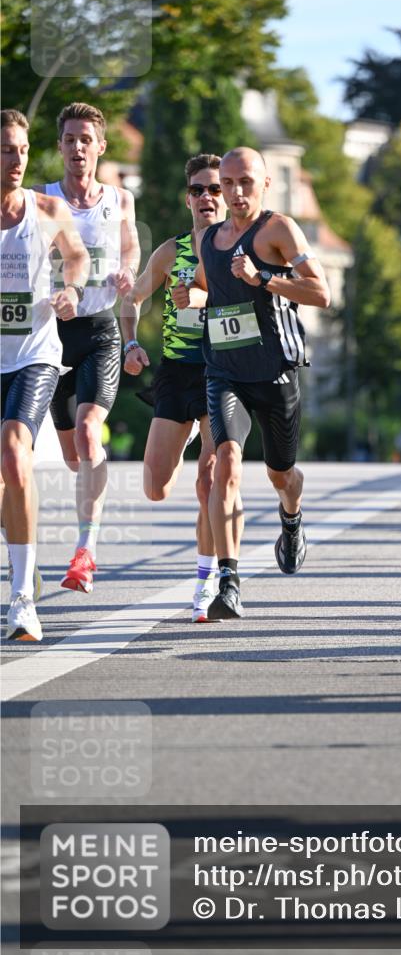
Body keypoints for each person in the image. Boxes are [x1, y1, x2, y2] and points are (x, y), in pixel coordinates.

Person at [173, 147, 330, 620]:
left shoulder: (278, 229)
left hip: (275, 371)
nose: (235, 192)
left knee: (282, 474)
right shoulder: (210, 239)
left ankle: (292, 517)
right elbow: (207, 285)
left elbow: (321, 291)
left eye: (246, 182)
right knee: (225, 462)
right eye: (227, 183)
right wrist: (190, 295)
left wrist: (264, 279)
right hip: (224, 371)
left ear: (265, 184)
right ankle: (229, 581)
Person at [35, 102, 140, 594]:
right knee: (74, 454)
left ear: (100, 147)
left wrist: (127, 271)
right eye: (70, 138)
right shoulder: (42, 199)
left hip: (98, 329)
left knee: (87, 429)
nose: (77, 147)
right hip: (54, 336)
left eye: (86, 139)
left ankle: (85, 551)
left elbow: (132, 246)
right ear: (60, 147)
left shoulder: (119, 199)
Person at [121, 153, 224, 622]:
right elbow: (133, 298)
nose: (207, 197)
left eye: (215, 190)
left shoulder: (237, 251)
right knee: (156, 488)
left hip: (221, 371)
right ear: (188, 199)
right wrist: (130, 344)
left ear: (228, 197)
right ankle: (184, 441)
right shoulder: (170, 251)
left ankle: (206, 583)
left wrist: (205, 295)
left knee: (209, 482)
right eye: (199, 190)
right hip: (174, 372)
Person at [1, 108, 90, 640]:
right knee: (6, 481)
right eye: (6, 150)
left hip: (34, 354)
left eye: (22, 150)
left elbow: (76, 256)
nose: (16, 160)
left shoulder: (48, 208)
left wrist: (71, 289)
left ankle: (21, 600)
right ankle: (22, 553)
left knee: (15, 451)